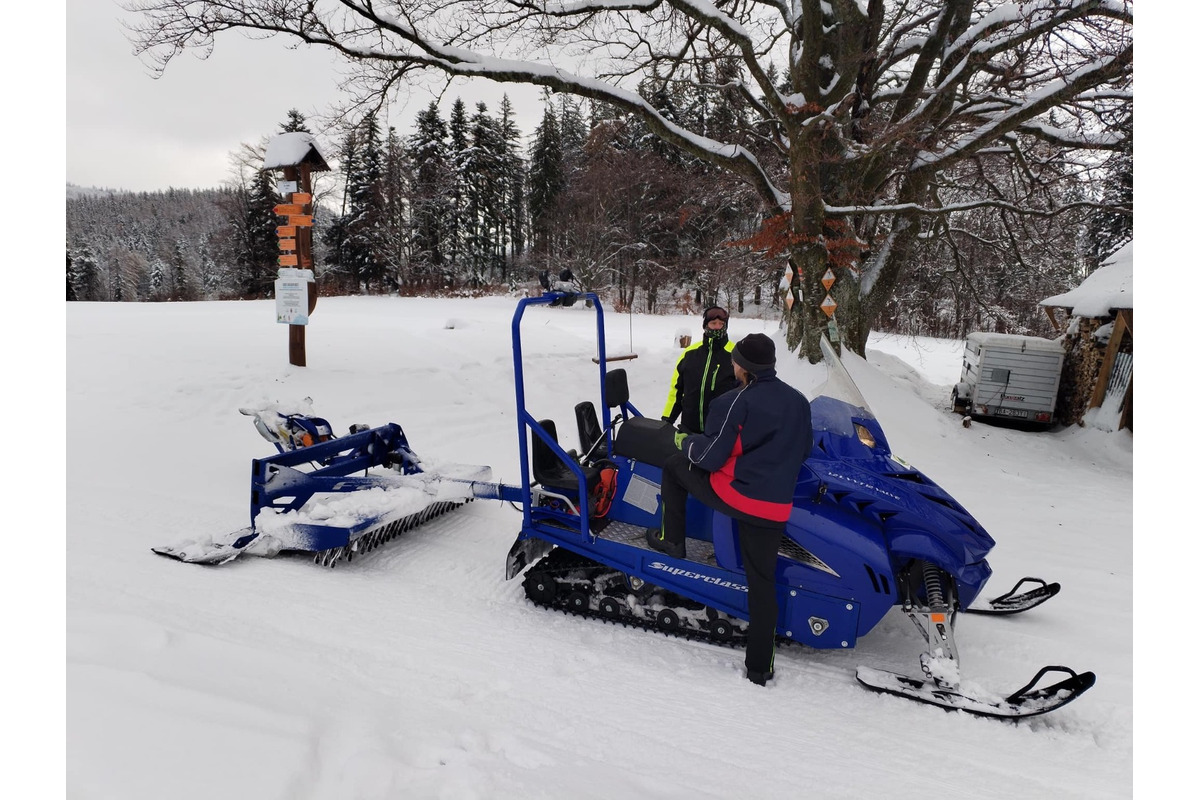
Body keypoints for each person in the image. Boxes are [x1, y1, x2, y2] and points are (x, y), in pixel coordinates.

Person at [646, 333, 813, 686]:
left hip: (737, 496)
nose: (733, 364)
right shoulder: (798, 401)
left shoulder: (736, 402)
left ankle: (672, 540)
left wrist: (685, 442)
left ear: (743, 366)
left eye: (735, 360)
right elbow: (803, 450)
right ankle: (760, 668)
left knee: (675, 467)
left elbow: (710, 456)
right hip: (775, 506)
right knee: (762, 584)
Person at [661, 306, 737, 434]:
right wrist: (667, 420)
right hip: (689, 429)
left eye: (721, 324)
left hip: (722, 431)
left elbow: (746, 394)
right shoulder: (689, 354)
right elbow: (676, 390)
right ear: (705, 325)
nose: (717, 327)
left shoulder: (735, 355)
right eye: (713, 323)